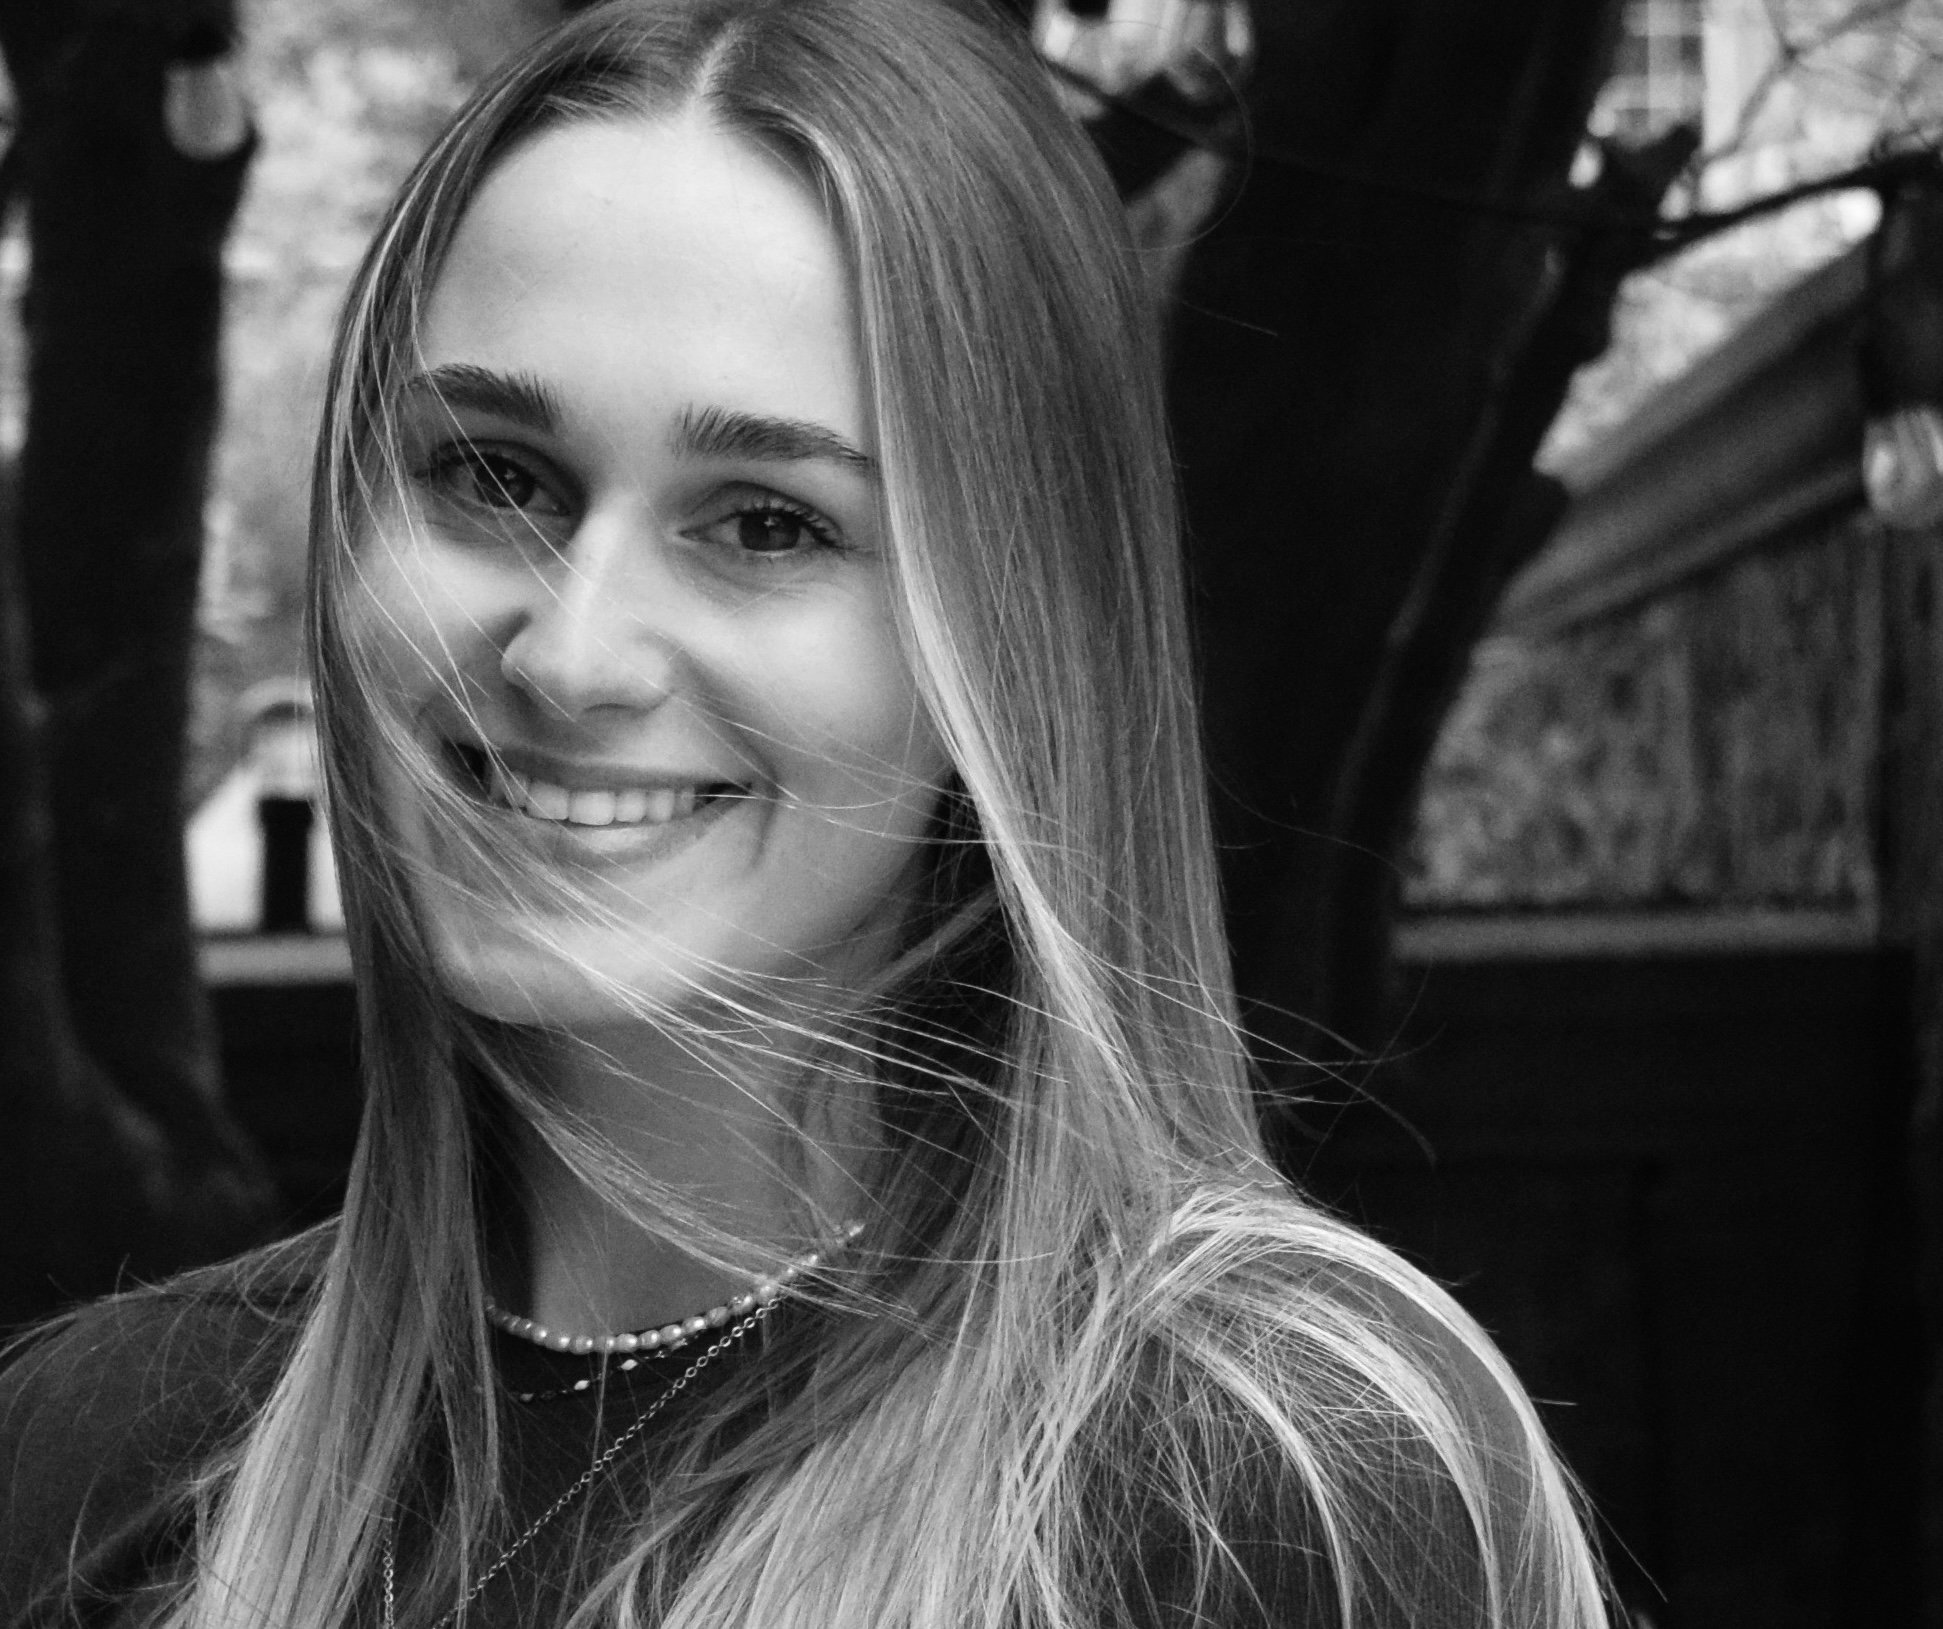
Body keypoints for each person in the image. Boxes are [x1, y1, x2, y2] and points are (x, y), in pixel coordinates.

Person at [0, 1, 1610, 1625]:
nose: (572, 652)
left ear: (1013, 640)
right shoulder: (91, 1470)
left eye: (766, 522)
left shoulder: (1277, 1479)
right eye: (494, 475)